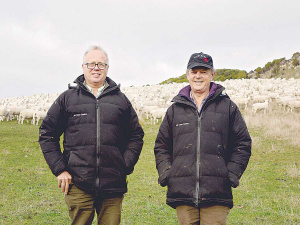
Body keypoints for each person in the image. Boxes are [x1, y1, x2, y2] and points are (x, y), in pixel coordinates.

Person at [39, 45, 144, 225]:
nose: (96, 68)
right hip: (78, 183)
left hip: (112, 184)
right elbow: (47, 133)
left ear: (107, 68)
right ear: (83, 67)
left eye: (101, 64)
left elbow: (136, 135)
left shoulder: (120, 100)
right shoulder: (68, 98)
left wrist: (124, 165)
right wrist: (60, 169)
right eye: (91, 64)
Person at [154, 52, 251, 225]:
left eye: (203, 71)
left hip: (217, 192)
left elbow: (242, 143)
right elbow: (161, 145)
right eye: (194, 71)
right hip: (183, 191)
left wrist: (231, 174)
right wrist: (168, 173)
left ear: (212, 74)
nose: (198, 76)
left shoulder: (228, 107)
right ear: (188, 74)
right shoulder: (175, 110)